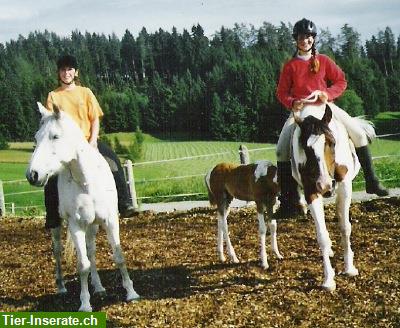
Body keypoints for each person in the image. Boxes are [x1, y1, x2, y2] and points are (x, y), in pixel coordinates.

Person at [274, 18, 388, 219]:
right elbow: (281, 92)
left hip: (325, 108)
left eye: (309, 37)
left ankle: (372, 181)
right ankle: (288, 201)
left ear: (313, 39)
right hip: (301, 113)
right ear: (296, 40)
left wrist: (328, 93)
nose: (305, 41)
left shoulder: (324, 61)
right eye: (301, 37)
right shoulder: (290, 66)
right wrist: (292, 103)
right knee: (281, 149)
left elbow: (341, 81)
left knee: (360, 135)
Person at [44, 54, 136, 229]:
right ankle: (52, 217)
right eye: (63, 69)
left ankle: (124, 204)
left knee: (114, 162)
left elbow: (95, 119)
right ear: (58, 73)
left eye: (69, 69)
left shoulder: (85, 92)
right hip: (65, 147)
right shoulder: (53, 96)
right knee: (51, 177)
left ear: (76, 72)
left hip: (87, 141)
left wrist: (93, 141)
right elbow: (51, 123)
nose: (66, 73)